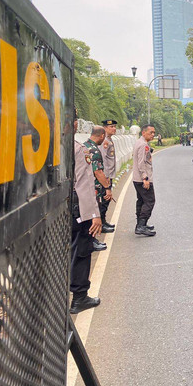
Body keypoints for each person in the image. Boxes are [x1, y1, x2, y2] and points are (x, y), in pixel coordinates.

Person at [70, 111, 102, 314]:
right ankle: (80, 297)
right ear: (73, 123)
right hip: (78, 208)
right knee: (82, 251)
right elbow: (84, 184)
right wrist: (94, 215)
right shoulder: (78, 149)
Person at [84, 126, 111, 251]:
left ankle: (91, 241)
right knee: (94, 215)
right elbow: (98, 172)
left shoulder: (85, 146)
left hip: (86, 188)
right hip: (94, 188)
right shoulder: (94, 150)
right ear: (101, 136)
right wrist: (107, 187)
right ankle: (91, 241)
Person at [133, 124, 157, 236]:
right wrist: (145, 178)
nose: (153, 135)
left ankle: (140, 224)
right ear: (143, 132)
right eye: (150, 132)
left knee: (142, 201)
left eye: (153, 133)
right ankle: (141, 226)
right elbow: (141, 162)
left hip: (137, 178)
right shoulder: (143, 145)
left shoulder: (140, 142)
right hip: (142, 179)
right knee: (150, 201)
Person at [98, 119, 118, 233]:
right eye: (111, 127)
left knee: (106, 200)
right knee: (104, 200)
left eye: (114, 127)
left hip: (109, 175)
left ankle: (103, 221)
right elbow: (103, 160)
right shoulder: (104, 141)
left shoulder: (109, 140)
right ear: (105, 128)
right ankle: (101, 224)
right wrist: (105, 178)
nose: (114, 129)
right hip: (105, 177)